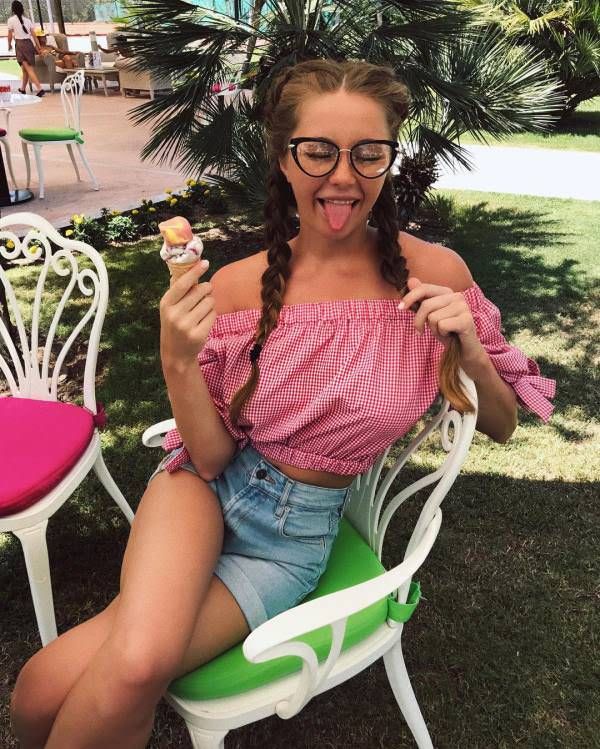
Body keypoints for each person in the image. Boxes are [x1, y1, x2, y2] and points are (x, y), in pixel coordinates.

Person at [10, 59, 555, 746]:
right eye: (319, 151)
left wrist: (471, 348)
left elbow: (503, 424)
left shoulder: (435, 274)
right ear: (284, 159)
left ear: (389, 157)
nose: (343, 176)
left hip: (289, 542)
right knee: (42, 689)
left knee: (122, 670)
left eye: (368, 153)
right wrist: (177, 359)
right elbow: (211, 457)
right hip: (201, 490)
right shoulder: (238, 288)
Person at [6, 1, 45, 97]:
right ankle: (23, 89)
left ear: (13, 9)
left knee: (28, 68)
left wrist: (9, 45)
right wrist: (39, 47)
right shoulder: (28, 20)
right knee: (25, 69)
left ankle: (40, 89)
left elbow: (10, 35)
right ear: (22, 9)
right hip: (29, 44)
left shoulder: (11, 20)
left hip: (20, 45)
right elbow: (34, 36)